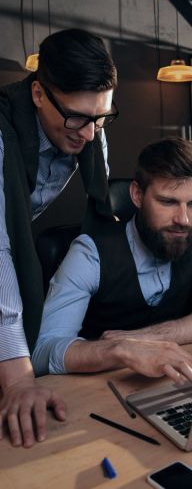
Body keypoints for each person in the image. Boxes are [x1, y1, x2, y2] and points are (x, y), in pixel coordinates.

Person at [32, 137, 192, 379]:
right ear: (136, 194)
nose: (184, 219)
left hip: (172, 382)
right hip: (100, 391)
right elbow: (42, 352)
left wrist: (147, 338)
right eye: (168, 202)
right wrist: (117, 349)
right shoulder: (89, 252)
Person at [0, 28, 118, 447]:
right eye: (76, 117)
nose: (88, 133)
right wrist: (17, 379)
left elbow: (102, 199)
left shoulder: (86, 127)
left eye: (100, 118)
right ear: (37, 94)